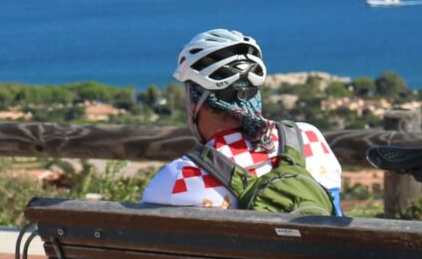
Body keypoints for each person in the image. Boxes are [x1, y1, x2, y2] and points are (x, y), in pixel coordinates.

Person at [142, 28, 343, 213]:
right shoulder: (309, 138)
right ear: (254, 96)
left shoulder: (178, 177)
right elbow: (334, 210)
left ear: (196, 103)